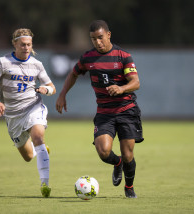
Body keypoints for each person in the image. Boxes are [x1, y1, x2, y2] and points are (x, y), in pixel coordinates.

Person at [56, 20, 144, 198]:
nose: (97, 42)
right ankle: (116, 163)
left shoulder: (123, 56)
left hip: (127, 111)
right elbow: (74, 73)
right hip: (105, 113)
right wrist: (62, 94)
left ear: (109, 35)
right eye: (93, 39)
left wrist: (121, 88)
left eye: (100, 37)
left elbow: (136, 82)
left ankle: (129, 187)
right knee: (103, 152)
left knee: (128, 155)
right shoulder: (88, 58)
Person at [0, 28, 56, 198]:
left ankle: (45, 185)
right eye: (22, 44)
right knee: (29, 156)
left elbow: (52, 87)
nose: (26, 47)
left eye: (29, 44)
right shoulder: (2, 62)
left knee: (38, 137)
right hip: (13, 116)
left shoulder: (37, 64)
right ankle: (40, 150)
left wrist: (45, 89)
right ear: (14, 43)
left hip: (33, 107)